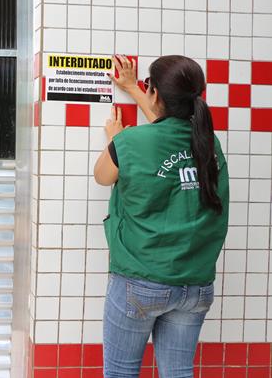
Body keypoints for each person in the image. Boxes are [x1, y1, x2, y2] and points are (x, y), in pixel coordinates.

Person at [94, 55, 230, 378]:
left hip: (140, 282)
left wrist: (115, 140)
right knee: (178, 373)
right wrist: (133, 88)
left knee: (121, 373)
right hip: (195, 287)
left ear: (155, 93)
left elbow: (102, 176)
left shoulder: (130, 142)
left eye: (148, 88)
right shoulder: (208, 144)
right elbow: (168, 126)